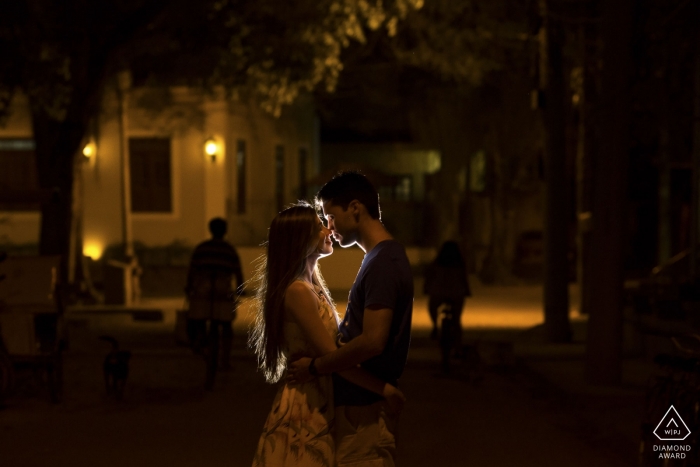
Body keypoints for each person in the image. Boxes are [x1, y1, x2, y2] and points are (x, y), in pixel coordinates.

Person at [251, 203, 405, 467]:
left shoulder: (312, 286)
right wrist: (384, 389)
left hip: (321, 399)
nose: (328, 230)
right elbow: (333, 358)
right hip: (306, 407)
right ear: (301, 239)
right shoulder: (298, 292)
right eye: (319, 225)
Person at [288, 172, 414, 467]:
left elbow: (372, 341)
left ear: (355, 208)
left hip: (365, 411)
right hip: (359, 406)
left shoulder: (383, 263)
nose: (329, 229)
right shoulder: (379, 258)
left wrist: (317, 367)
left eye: (330, 217)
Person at [185, 217, 243, 389]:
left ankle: (201, 345)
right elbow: (238, 272)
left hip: (202, 291)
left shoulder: (201, 248)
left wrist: (189, 287)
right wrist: (240, 289)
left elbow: (192, 270)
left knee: (198, 320)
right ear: (224, 231)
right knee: (226, 325)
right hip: (222, 291)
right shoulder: (229, 250)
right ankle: (224, 359)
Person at [424, 240, 471, 342]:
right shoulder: (460, 264)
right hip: (456, 294)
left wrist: (426, 289)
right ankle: (458, 343)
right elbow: (464, 280)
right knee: (457, 318)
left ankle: (435, 326)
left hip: (438, 293)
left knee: (432, 307)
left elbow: (429, 277)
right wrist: (467, 291)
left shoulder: (436, 263)